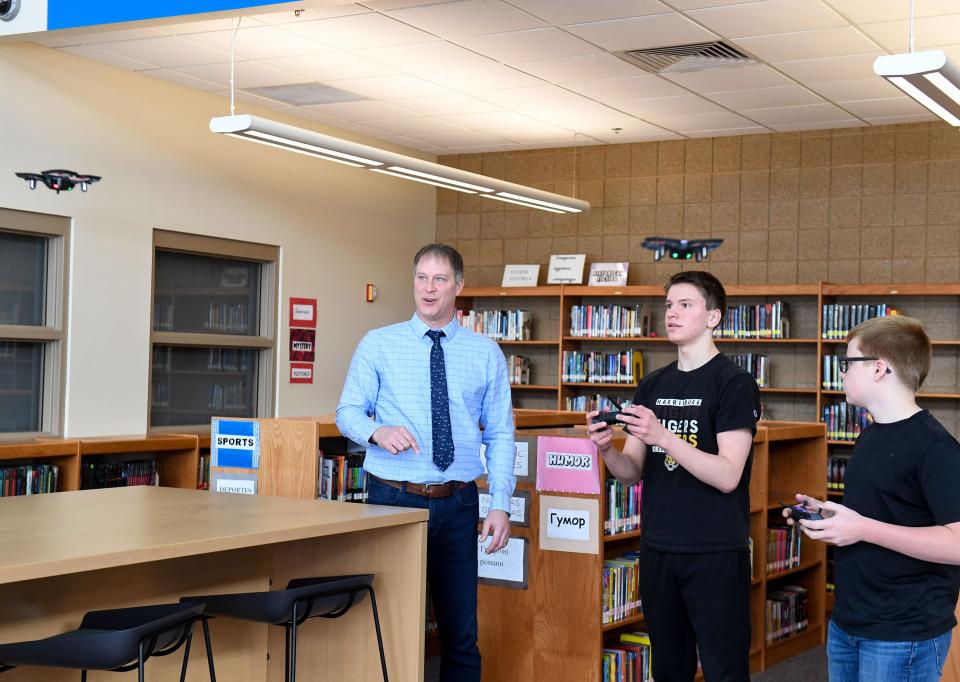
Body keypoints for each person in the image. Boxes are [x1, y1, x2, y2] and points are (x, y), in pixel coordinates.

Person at [336, 242, 515, 682]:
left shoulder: (485, 352)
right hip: (392, 500)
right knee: (392, 626)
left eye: (439, 279)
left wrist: (501, 503)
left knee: (460, 634)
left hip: (458, 505)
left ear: (458, 286)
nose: (428, 288)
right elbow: (347, 413)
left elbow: (501, 433)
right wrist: (377, 431)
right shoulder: (378, 344)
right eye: (421, 277)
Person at [586, 270, 761, 682]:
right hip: (659, 548)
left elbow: (728, 475)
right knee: (668, 667)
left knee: (724, 669)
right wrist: (607, 446)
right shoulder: (653, 384)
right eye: (669, 305)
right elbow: (630, 473)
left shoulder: (733, 383)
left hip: (714, 551)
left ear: (713, 317)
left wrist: (662, 434)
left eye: (686, 305)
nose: (672, 314)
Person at [786, 315, 960, 682]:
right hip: (850, 620)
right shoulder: (871, 436)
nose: (842, 372)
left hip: (903, 632)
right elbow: (881, 514)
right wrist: (831, 515)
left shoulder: (936, 448)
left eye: (848, 362)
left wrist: (862, 528)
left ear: (880, 368)